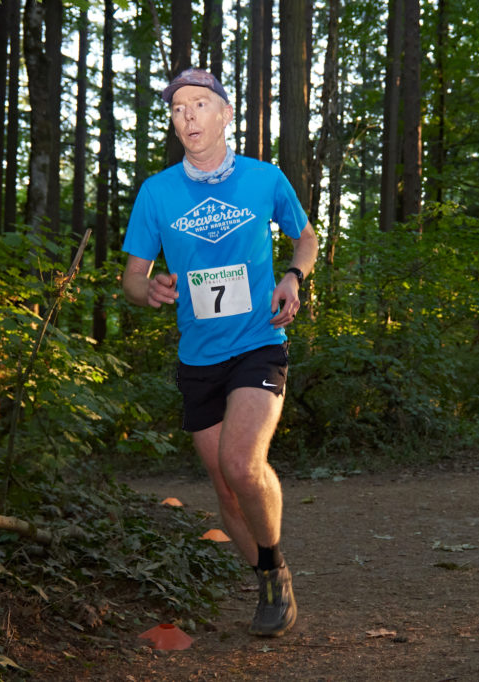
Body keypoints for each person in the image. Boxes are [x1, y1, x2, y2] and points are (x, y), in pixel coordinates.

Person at [121, 68, 318, 638]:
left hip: (259, 343)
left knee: (241, 463)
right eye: (178, 108)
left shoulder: (263, 179)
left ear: (225, 114)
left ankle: (273, 563)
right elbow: (132, 279)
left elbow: (306, 236)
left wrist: (293, 276)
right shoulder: (157, 193)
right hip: (198, 357)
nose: (188, 117)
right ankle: (267, 574)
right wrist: (149, 289)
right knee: (225, 486)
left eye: (200, 104)